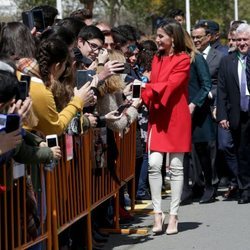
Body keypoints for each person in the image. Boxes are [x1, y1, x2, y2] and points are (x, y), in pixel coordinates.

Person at [141, 19, 191, 234]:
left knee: (177, 167)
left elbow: (171, 85)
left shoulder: (183, 59)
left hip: (177, 117)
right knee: (154, 163)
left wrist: (146, 90)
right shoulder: (156, 58)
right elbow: (156, 84)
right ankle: (157, 214)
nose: (157, 40)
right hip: (158, 115)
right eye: (157, 35)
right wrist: (147, 90)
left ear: (173, 38)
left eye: (161, 36)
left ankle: (173, 215)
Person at [181, 32, 216, 204]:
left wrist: (194, 104)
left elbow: (206, 85)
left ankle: (209, 186)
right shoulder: (173, 60)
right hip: (180, 111)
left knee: (202, 151)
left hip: (198, 111)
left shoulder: (196, 58)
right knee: (183, 152)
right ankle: (187, 189)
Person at [217, 23, 250, 204]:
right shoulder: (227, 61)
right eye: (238, 40)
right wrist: (222, 115)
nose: (241, 43)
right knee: (241, 152)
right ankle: (245, 189)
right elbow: (222, 91)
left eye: (245, 39)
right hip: (238, 114)